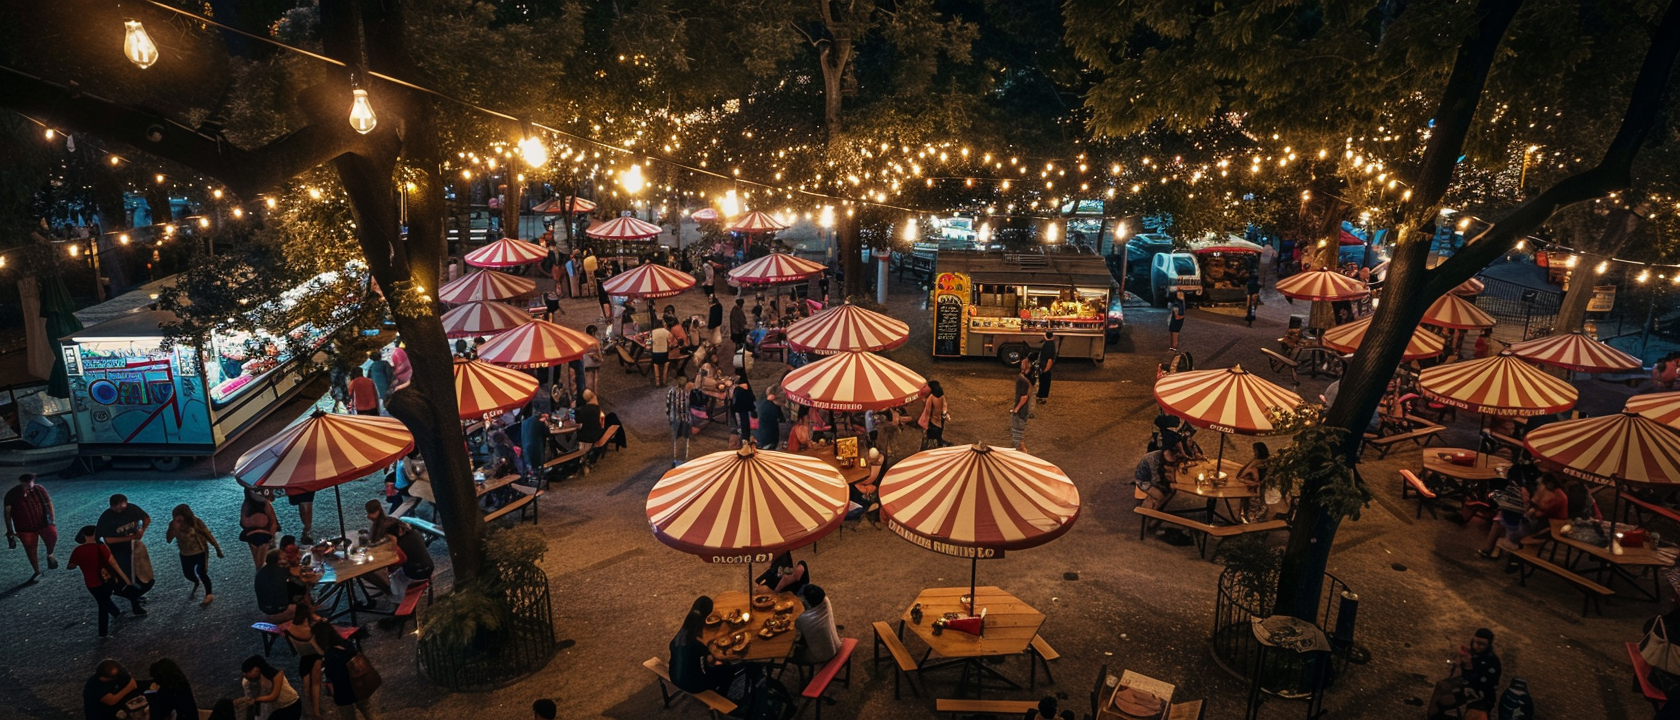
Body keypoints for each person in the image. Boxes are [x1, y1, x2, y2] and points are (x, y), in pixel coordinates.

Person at [1480, 475, 1567, 558]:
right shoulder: (1546, 490)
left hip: (1544, 527)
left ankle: (1495, 548)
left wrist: (1532, 504)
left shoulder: (1558, 495)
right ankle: (1490, 549)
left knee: (1504, 520)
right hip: (1534, 519)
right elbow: (1534, 502)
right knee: (1501, 517)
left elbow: (1539, 513)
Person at [69, 526, 131, 637]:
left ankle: (116, 613)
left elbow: (71, 566)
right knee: (103, 604)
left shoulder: (77, 550)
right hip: (104, 581)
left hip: (90, 584)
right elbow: (113, 564)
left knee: (102, 600)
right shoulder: (101, 547)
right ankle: (103, 632)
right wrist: (126, 579)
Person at [367, 500, 433, 605]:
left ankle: (396, 599)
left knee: (385, 575)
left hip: (416, 574)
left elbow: (400, 560)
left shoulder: (399, 545)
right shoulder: (414, 534)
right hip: (429, 567)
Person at [95, 494, 152, 615]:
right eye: (118, 507)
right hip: (117, 551)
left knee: (137, 574)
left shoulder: (131, 509)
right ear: (112, 506)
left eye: (123, 505)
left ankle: (136, 596)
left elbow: (146, 518)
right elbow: (108, 540)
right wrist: (131, 537)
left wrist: (142, 530)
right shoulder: (107, 518)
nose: (122, 508)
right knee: (126, 578)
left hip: (133, 548)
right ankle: (134, 605)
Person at [670, 596, 738, 696]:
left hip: (674, 676)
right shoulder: (698, 642)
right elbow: (711, 658)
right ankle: (721, 696)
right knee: (728, 671)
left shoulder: (686, 629)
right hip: (692, 685)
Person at [1428, 628, 1502, 719]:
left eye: (1481, 644)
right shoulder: (1475, 651)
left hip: (1480, 692)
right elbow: (1463, 674)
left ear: (1488, 645)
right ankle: (1432, 716)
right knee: (1441, 685)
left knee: (1444, 701)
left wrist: (1469, 665)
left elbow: (1481, 682)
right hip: (1467, 683)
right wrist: (1461, 659)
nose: (1475, 646)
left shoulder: (1492, 661)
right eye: (1474, 642)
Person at [165, 504, 222, 607]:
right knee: (188, 574)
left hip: (200, 552)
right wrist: (173, 529)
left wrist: (217, 549)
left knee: (202, 572)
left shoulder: (196, 523)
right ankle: (196, 581)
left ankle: (209, 594)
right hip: (185, 553)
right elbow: (168, 540)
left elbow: (208, 535)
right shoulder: (173, 525)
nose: (178, 520)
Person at [4, 472, 57, 582]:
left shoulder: (39, 489)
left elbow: (48, 502)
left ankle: (50, 554)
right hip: (25, 528)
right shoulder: (12, 494)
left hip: (43, 523)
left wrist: (52, 519)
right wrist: (10, 530)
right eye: (26, 484)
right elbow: (7, 513)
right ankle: (37, 570)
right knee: (30, 549)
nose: (28, 487)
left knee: (52, 537)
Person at [286, 603, 327, 718]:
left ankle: (307, 709)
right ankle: (316, 711)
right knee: (315, 685)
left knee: (305, 687)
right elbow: (320, 650)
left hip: (303, 659)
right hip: (315, 658)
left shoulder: (290, 629)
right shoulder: (310, 630)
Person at [789, 584, 840, 666]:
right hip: (837, 645)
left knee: (789, 652)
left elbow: (795, 637)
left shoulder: (803, 619)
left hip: (820, 656)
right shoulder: (825, 602)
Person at [239, 655, 304, 720]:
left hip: (291, 705)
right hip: (278, 708)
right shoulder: (253, 679)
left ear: (256, 669)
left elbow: (273, 696)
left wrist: (255, 700)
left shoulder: (277, 675)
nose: (247, 676)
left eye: (249, 672)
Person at [255, 549, 307, 621]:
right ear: (278, 560)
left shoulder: (263, 571)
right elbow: (301, 587)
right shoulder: (281, 571)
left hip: (264, 609)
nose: (287, 559)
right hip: (279, 610)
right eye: (285, 558)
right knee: (304, 607)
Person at [239, 488, 280, 569]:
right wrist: (271, 535)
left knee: (257, 561)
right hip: (264, 535)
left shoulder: (246, 504)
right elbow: (273, 521)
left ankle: (259, 577)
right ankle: (262, 577)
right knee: (262, 561)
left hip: (250, 535)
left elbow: (242, 522)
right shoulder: (265, 504)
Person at [667, 376, 694, 466]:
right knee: (685, 439)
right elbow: (688, 406)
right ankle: (683, 460)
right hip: (685, 419)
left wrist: (669, 416)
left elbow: (668, 404)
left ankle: (676, 459)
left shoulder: (671, 391)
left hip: (675, 418)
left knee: (676, 438)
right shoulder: (688, 392)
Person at [1011, 357, 1032, 452]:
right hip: (1024, 411)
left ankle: (1023, 459)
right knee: (1019, 437)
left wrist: (1016, 409)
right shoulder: (1027, 380)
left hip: (1020, 412)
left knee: (1018, 438)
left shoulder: (1021, 380)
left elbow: (1024, 397)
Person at [920, 380, 948, 449]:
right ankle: (939, 444)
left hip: (932, 421)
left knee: (930, 437)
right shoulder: (942, 396)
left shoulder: (931, 397)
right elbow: (945, 405)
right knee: (938, 435)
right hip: (940, 419)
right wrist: (944, 413)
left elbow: (928, 410)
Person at [732, 376, 757, 448]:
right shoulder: (749, 389)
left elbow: (734, 400)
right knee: (748, 423)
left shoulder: (737, 390)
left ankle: (744, 439)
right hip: (749, 408)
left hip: (740, 409)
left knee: (742, 423)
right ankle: (749, 438)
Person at [521, 409, 548, 474]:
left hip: (525, 445)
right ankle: (540, 474)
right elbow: (546, 433)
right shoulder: (539, 422)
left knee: (531, 464)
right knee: (538, 463)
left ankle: (533, 474)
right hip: (536, 445)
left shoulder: (524, 423)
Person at [1036, 331, 1058, 404]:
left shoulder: (1048, 345)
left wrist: (1046, 369)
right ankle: (1041, 397)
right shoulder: (1050, 344)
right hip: (1044, 367)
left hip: (1045, 368)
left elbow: (1050, 359)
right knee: (1043, 383)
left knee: (1044, 383)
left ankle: (1041, 398)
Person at [650, 318, 673, 386]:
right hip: (664, 353)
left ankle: (657, 382)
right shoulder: (667, 332)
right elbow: (670, 343)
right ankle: (664, 381)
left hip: (655, 352)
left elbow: (648, 342)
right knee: (665, 368)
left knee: (656, 366)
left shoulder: (652, 332)